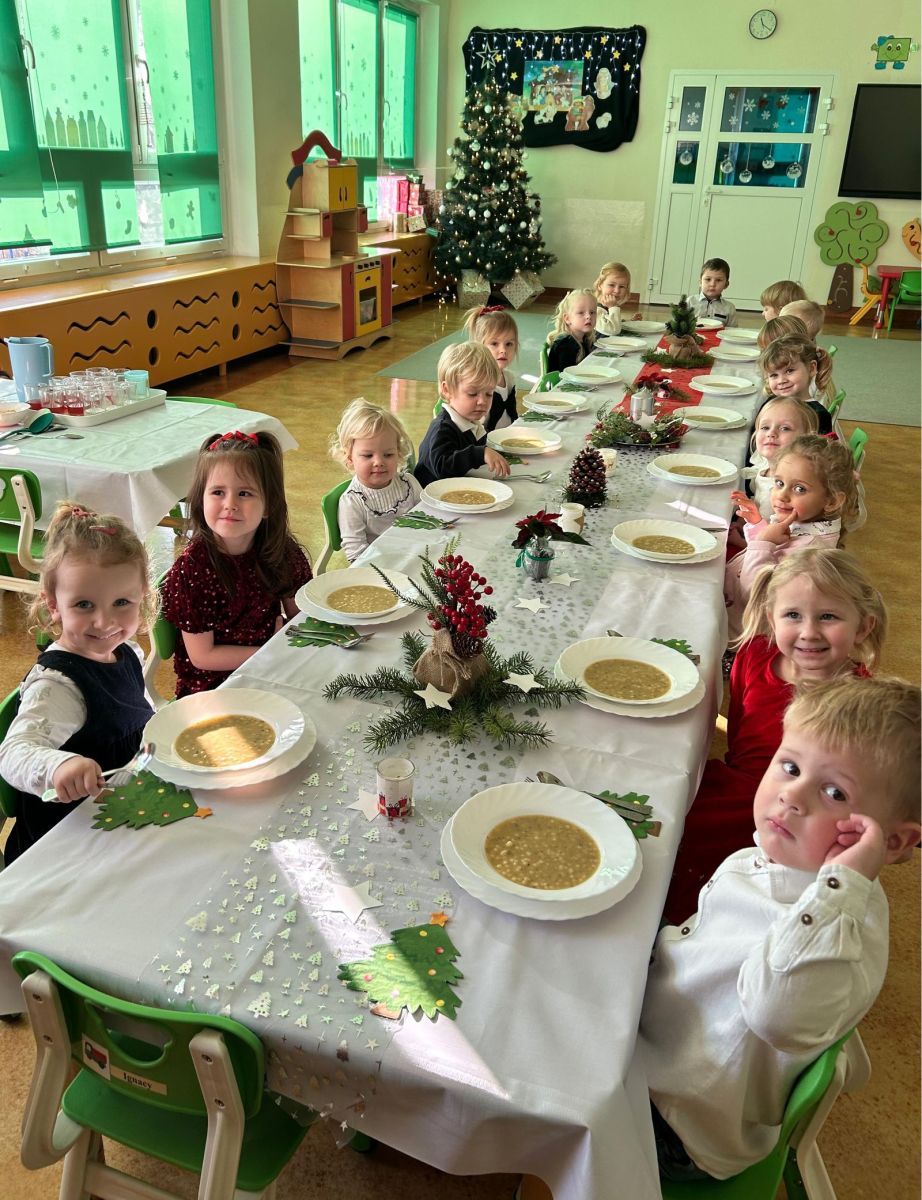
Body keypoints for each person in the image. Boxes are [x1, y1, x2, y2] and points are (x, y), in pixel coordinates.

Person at [644, 674, 920, 1182]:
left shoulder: (835, 925)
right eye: (790, 766)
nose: (791, 795)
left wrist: (838, 888)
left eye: (835, 792)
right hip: (674, 1017)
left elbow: (777, 1017)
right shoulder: (791, 856)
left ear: (892, 843)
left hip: (678, 1116)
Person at [665, 548, 885, 924]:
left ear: (863, 627)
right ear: (772, 617)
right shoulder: (752, 656)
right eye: (793, 615)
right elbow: (738, 737)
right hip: (734, 792)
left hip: (804, 813)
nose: (809, 632)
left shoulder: (865, 702)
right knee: (670, 834)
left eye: (828, 616)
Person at [0, 503, 157, 864]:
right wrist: (58, 766)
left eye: (122, 602)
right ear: (53, 604)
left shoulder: (126, 651)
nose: (105, 622)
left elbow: (136, 715)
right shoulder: (58, 686)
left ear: (143, 596)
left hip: (121, 810)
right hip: (68, 844)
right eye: (84, 604)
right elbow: (13, 752)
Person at [161, 430, 311, 698]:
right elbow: (203, 656)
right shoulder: (192, 570)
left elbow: (302, 616)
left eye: (244, 493)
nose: (230, 504)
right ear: (201, 499)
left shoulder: (281, 552)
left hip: (272, 671)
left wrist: (290, 645)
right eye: (218, 492)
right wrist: (271, 651)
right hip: (214, 688)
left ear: (268, 505)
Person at [725, 434, 858, 633]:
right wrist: (758, 524)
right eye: (779, 483)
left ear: (831, 501)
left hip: (738, 633)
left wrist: (763, 541)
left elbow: (756, 594)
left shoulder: (811, 557)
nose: (782, 495)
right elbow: (775, 554)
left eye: (799, 488)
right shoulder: (803, 522)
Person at [329, 398, 420, 563]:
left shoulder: (409, 484)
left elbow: (428, 517)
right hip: (378, 568)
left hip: (416, 557)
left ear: (399, 453)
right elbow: (356, 553)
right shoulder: (352, 502)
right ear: (349, 457)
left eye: (388, 454)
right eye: (368, 455)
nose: (379, 462)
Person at [413, 342, 510, 487]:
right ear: (447, 390)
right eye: (472, 393)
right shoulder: (442, 428)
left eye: (489, 394)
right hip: (433, 497)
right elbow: (442, 467)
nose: (482, 401)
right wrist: (480, 454)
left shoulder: (472, 423)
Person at [741, 396, 819, 518]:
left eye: (785, 428)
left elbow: (778, 527)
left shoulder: (786, 488)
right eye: (765, 427)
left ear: (806, 437)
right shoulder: (765, 464)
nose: (771, 433)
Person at [757, 333, 834, 435]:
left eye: (789, 371)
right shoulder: (770, 404)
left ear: (811, 368)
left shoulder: (819, 415)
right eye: (774, 375)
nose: (781, 380)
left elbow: (819, 446)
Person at [463, 304, 520, 430]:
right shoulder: (478, 385)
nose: (503, 350)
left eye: (509, 344)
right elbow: (472, 428)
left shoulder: (509, 378)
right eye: (494, 343)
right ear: (479, 346)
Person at [546, 289, 599, 372]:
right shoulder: (566, 344)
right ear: (567, 318)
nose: (589, 316)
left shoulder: (584, 338)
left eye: (592, 312)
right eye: (581, 313)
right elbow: (567, 375)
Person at [592, 261, 638, 336]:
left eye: (622, 286)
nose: (617, 291)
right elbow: (613, 330)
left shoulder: (606, 306)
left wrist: (629, 322)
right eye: (611, 285)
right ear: (600, 285)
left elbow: (612, 323)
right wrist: (613, 307)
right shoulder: (595, 309)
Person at [691, 257, 738, 326]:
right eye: (708, 279)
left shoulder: (729, 308)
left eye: (718, 280)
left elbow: (732, 330)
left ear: (726, 285)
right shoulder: (689, 302)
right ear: (700, 282)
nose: (712, 284)